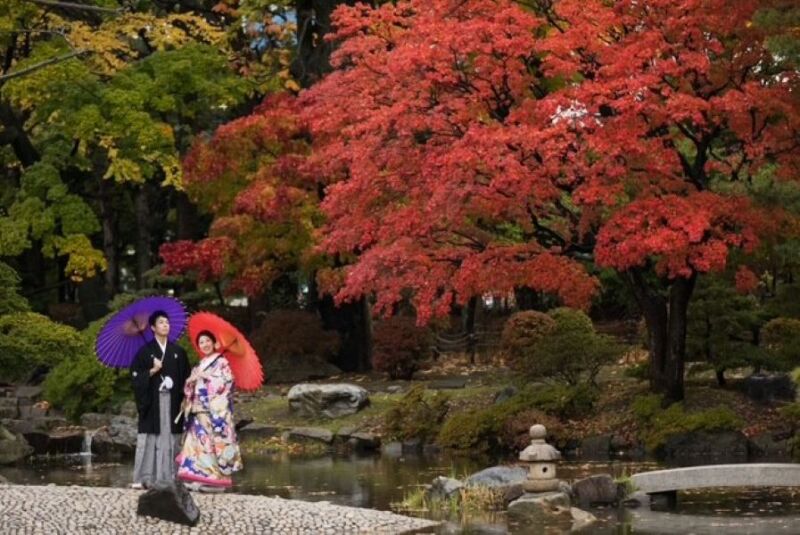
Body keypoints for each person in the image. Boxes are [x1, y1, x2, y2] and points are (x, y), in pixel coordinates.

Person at [130, 310, 190, 489]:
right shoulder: (144, 352)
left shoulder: (178, 351)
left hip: (172, 401)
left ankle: (172, 477)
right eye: (161, 322)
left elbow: (186, 377)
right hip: (153, 401)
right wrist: (152, 371)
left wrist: (185, 396)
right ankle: (145, 478)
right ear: (153, 328)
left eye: (167, 322)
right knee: (151, 438)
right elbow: (135, 377)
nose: (166, 325)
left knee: (171, 438)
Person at [175, 330, 243, 491]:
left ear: (214, 343)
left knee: (212, 444)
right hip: (198, 410)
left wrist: (208, 378)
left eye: (207, 341)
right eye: (201, 343)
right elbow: (189, 389)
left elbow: (227, 382)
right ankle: (200, 476)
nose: (204, 344)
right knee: (197, 444)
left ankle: (217, 480)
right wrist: (190, 381)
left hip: (214, 412)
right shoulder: (200, 364)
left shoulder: (222, 363)